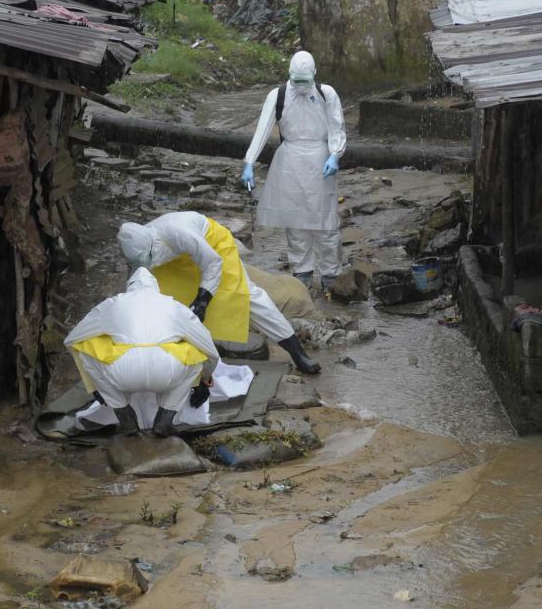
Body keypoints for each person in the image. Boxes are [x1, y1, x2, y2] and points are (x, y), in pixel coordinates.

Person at [117, 211, 321, 375]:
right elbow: (136, 279)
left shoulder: (178, 232)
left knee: (246, 297)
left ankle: (297, 352)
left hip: (214, 249)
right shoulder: (136, 247)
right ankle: (165, 358)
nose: (145, 263)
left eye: (148, 258)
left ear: (153, 244)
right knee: (161, 302)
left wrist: (202, 300)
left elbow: (212, 263)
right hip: (178, 262)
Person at [65, 267, 220, 437]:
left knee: (86, 347)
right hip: (167, 372)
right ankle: (165, 418)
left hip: (122, 373)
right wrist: (204, 379)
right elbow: (210, 349)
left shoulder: (113, 304)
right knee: (196, 354)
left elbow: (72, 339)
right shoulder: (174, 305)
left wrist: (95, 385)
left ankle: (124, 415)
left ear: (129, 288)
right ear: (157, 288)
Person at [241, 49, 346, 290]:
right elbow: (263, 129)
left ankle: (331, 273)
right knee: (295, 219)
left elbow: (336, 125)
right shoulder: (277, 95)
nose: (301, 86)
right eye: (296, 81)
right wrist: (249, 162)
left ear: (314, 75)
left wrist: (334, 154)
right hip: (289, 161)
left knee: (326, 220)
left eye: (305, 82)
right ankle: (303, 272)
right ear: (289, 75)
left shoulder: (325, 93)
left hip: (321, 161)